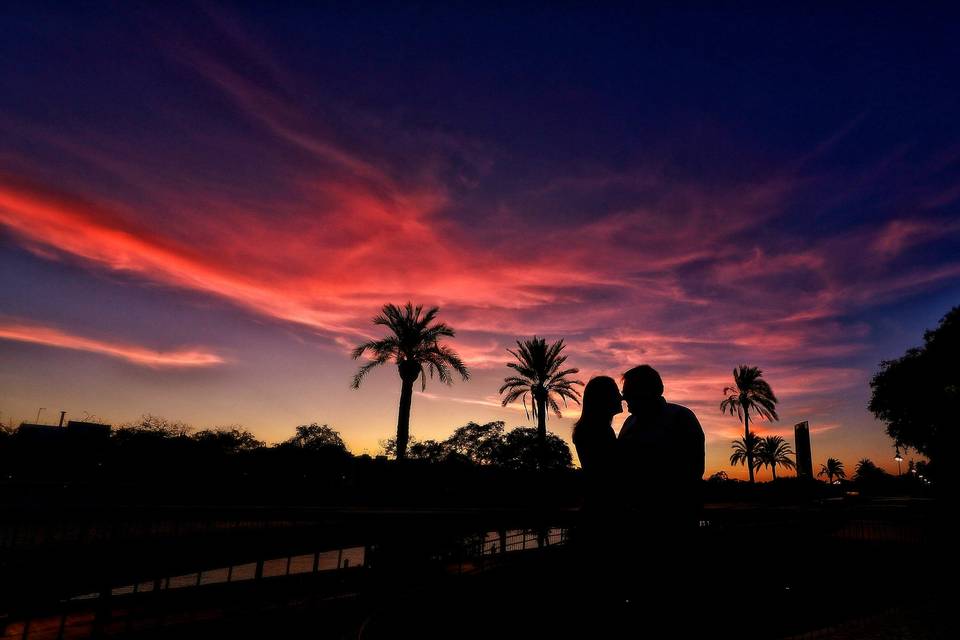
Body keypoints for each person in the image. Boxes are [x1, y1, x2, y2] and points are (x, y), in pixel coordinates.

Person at [617, 364, 705, 611]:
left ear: (650, 392)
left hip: (672, 527)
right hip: (636, 529)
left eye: (630, 393)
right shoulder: (630, 423)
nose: (625, 399)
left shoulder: (681, 419)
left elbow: (692, 470)